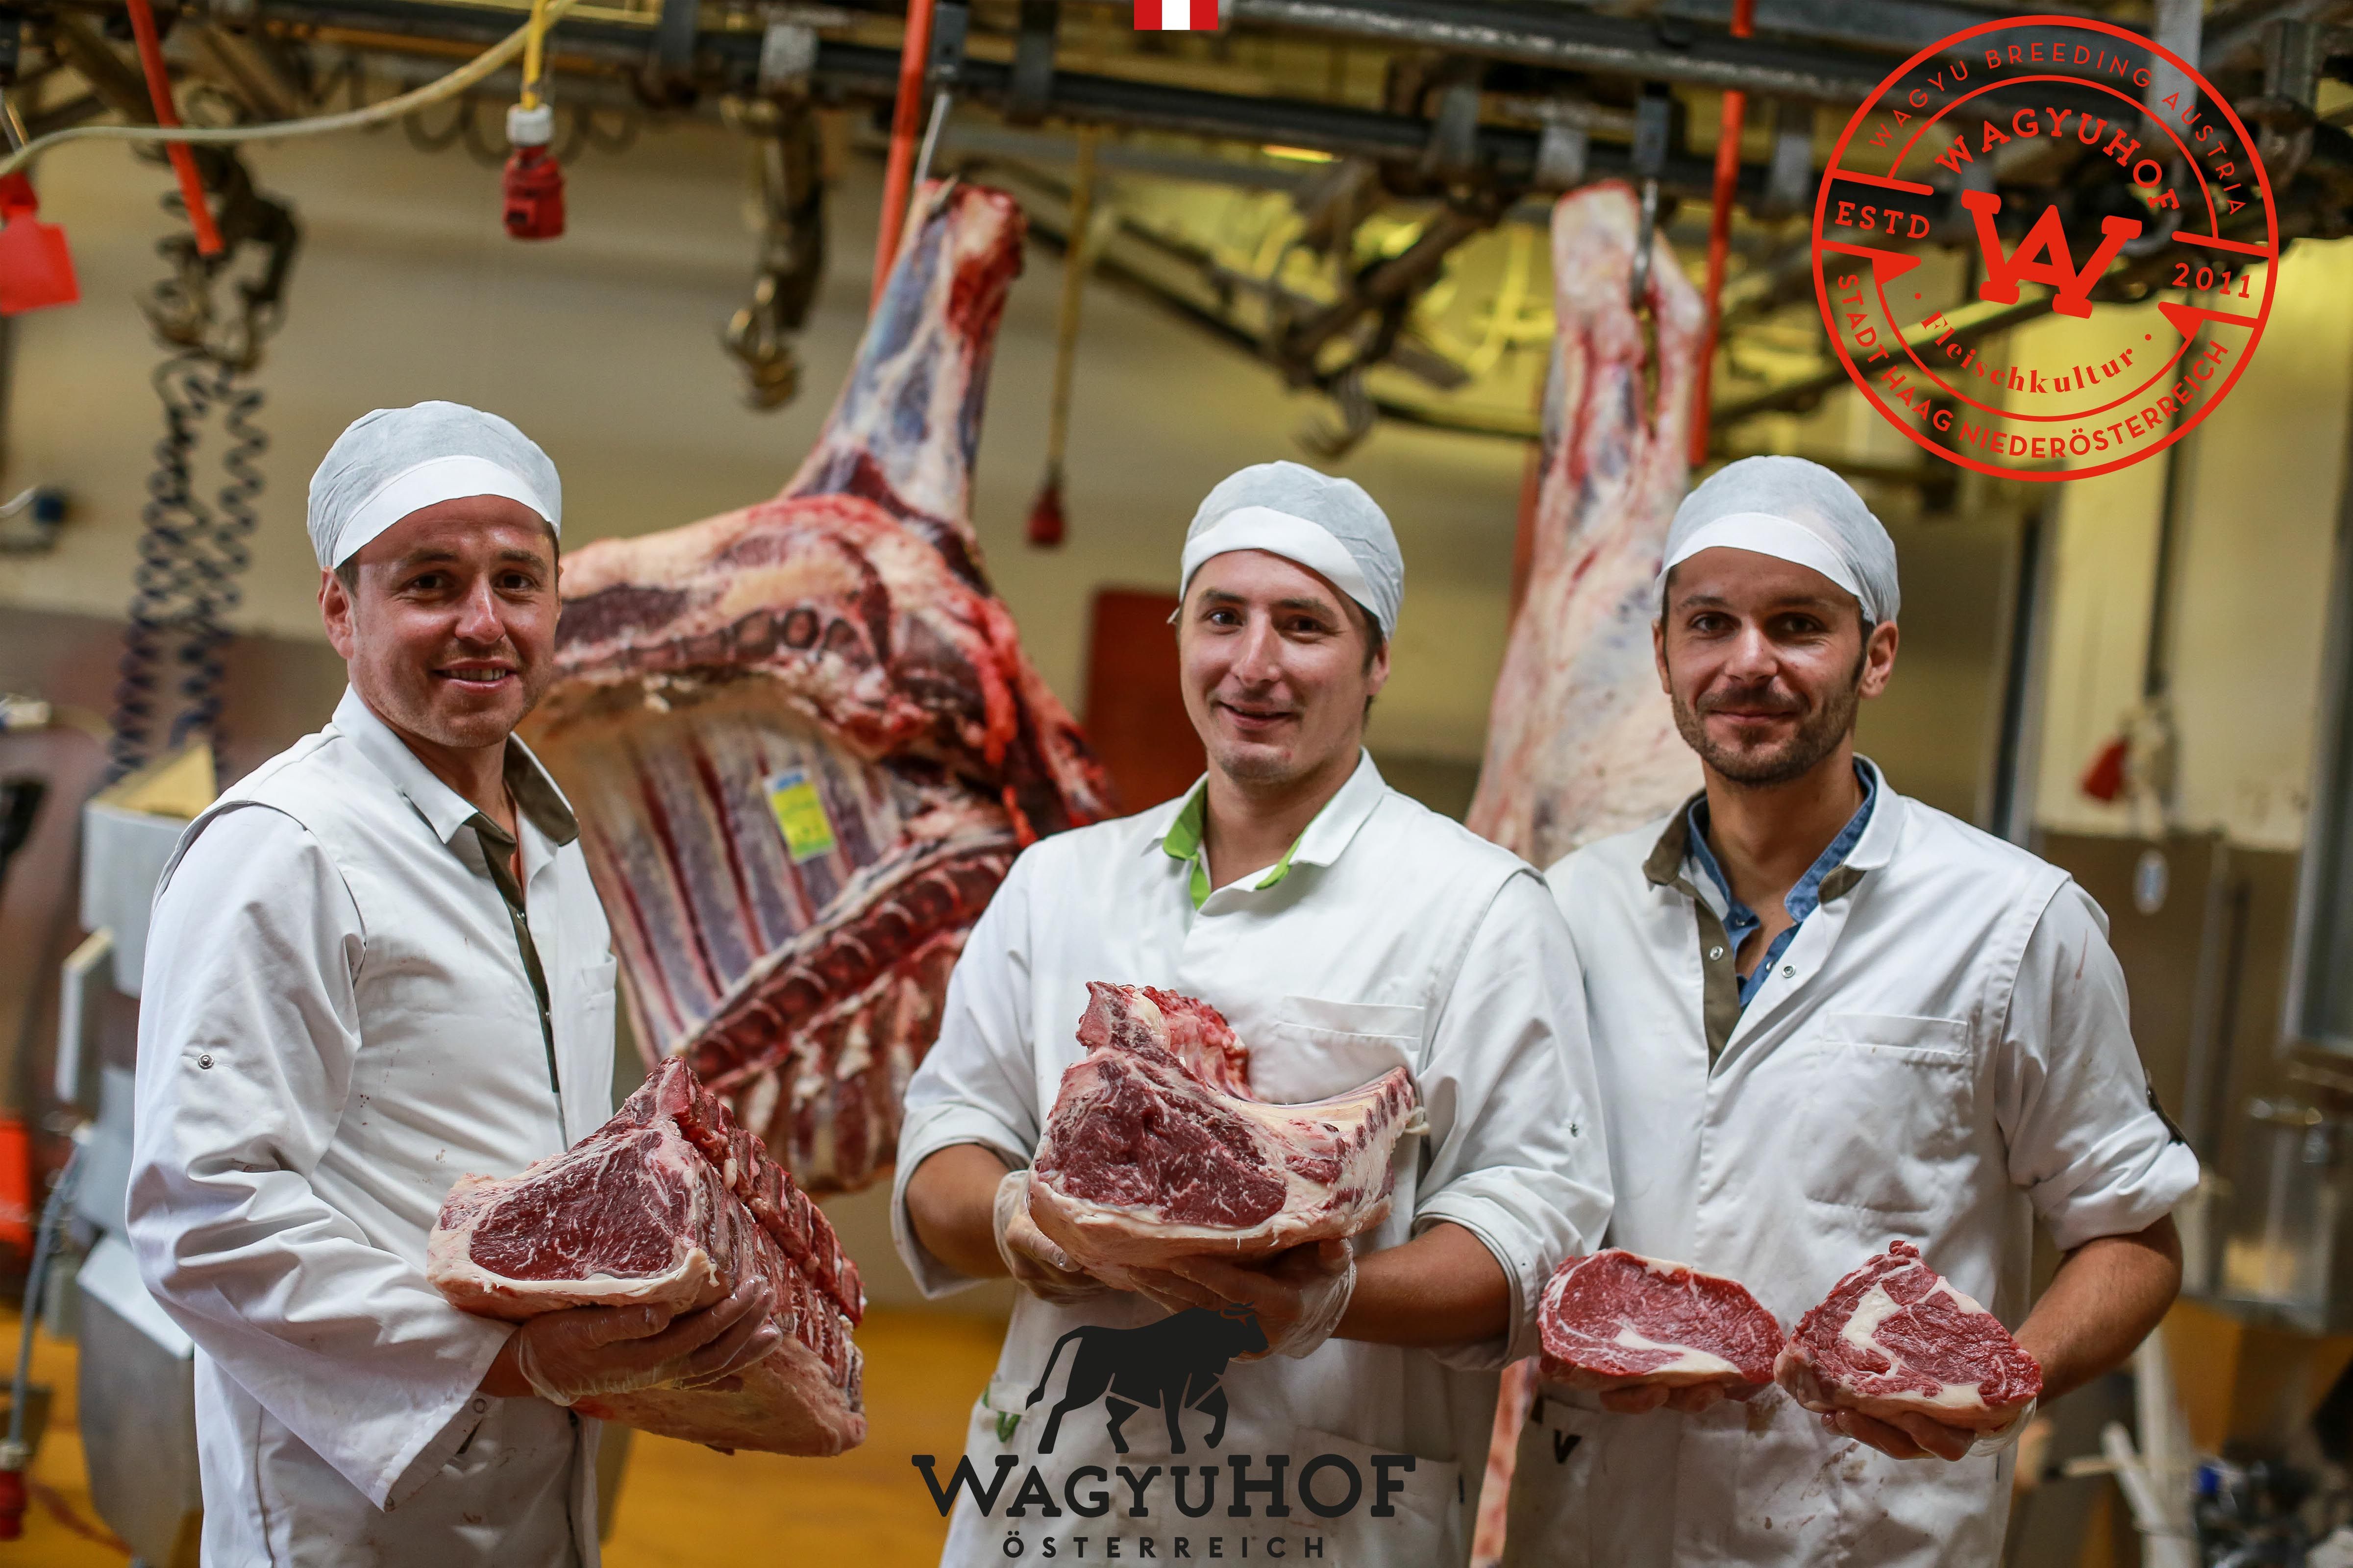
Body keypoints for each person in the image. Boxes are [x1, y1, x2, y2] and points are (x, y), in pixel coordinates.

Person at [893, 461, 1612, 1566]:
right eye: (1222, 616)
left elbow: (1537, 1224)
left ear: (1376, 660)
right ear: (1184, 634)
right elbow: (946, 1142)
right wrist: (1018, 1221)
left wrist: (1328, 1301)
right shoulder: (1057, 883)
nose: (1254, 664)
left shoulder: (1480, 908)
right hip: (1051, 1512)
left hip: (1325, 1509)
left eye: (1304, 625)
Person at [1503, 456, 2198, 1567]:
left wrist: (2001, 1380)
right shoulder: (1570, 907)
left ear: (1875, 654)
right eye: (1710, 623)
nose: (1749, 661)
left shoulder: (2014, 922)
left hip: (1868, 1533)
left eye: (1797, 625)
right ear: (1665, 655)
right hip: (1593, 1529)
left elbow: (2132, 1236)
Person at [127, 402, 778, 1567]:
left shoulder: (549, 843)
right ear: (341, 610)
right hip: (354, 1503)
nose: (484, 623)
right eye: (431, 583)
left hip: (539, 1477)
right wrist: (510, 1357)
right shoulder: (286, 847)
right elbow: (204, 1216)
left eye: (516, 582)